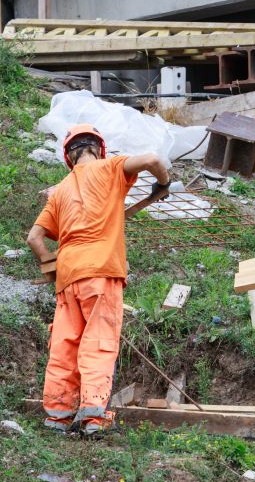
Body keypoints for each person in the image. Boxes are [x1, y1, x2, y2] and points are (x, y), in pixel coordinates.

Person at [26, 124, 170, 436]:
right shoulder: (111, 167)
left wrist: (51, 266)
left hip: (67, 277)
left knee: (65, 346)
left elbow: (34, 238)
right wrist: (163, 183)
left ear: (68, 156)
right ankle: (92, 417)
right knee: (98, 343)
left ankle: (57, 416)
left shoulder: (61, 190)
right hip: (101, 273)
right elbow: (152, 160)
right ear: (99, 149)